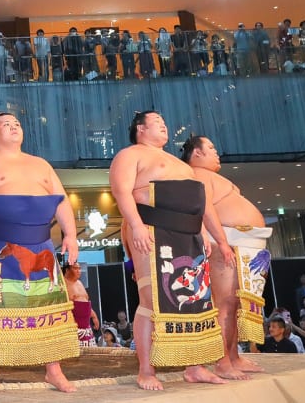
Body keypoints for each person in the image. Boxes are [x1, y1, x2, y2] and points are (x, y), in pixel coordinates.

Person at [0, 112, 79, 395]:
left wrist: (70, 235)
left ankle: (54, 370)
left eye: (17, 124)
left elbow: (60, 202)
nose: (13, 128)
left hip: (41, 242)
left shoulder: (41, 165)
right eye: (6, 125)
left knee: (47, 304)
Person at [109, 111, 234, 391]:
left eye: (165, 121)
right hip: (152, 228)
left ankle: (195, 367)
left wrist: (218, 239)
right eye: (157, 121)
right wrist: (136, 225)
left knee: (194, 301)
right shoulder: (130, 155)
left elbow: (203, 205)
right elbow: (121, 191)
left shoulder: (181, 165)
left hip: (188, 234)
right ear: (140, 128)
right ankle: (145, 369)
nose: (164, 124)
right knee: (151, 298)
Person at [182, 135, 271, 380]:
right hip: (225, 241)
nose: (216, 152)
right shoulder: (196, 174)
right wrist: (217, 242)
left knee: (236, 305)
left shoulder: (213, 177)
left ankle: (233, 356)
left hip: (246, 243)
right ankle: (222, 361)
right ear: (196, 153)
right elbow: (198, 208)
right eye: (210, 148)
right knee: (225, 304)